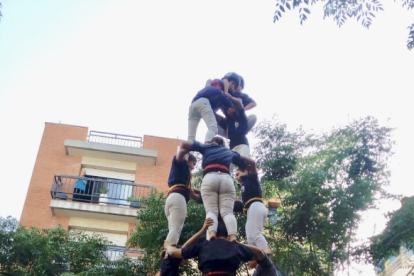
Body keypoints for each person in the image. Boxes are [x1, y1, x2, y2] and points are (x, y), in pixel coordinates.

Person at [180, 136, 247, 242]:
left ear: (212, 142)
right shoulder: (229, 152)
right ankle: (233, 236)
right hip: (226, 178)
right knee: (228, 212)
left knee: (211, 211)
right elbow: (244, 164)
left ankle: (212, 233)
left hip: (209, 177)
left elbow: (185, 144)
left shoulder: (207, 147)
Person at [166, 216, 266, 276]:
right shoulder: (236, 247)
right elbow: (260, 254)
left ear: (212, 233)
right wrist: (238, 243)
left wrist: (167, 246)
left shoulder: (203, 245)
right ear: (227, 235)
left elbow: (174, 252)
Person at [164, 149, 202, 248]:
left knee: (173, 230)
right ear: (188, 160)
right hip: (178, 198)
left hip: (171, 199)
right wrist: (189, 149)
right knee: (176, 229)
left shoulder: (182, 179)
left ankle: (169, 252)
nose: (194, 167)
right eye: (193, 163)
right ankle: (168, 252)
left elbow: (196, 194)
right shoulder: (181, 165)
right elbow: (182, 152)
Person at [188, 78, 241, 143]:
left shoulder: (205, 89)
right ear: (221, 87)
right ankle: (207, 143)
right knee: (213, 128)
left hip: (192, 105)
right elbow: (229, 104)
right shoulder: (219, 92)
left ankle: (186, 150)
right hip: (204, 103)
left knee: (191, 136)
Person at [235, 156, 270, 253]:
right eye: (235, 176)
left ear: (246, 171)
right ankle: (257, 258)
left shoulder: (251, 178)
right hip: (250, 210)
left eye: (238, 174)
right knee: (250, 238)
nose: (237, 177)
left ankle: (266, 254)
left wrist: (238, 155)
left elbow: (253, 163)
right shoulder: (243, 187)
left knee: (256, 233)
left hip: (256, 206)